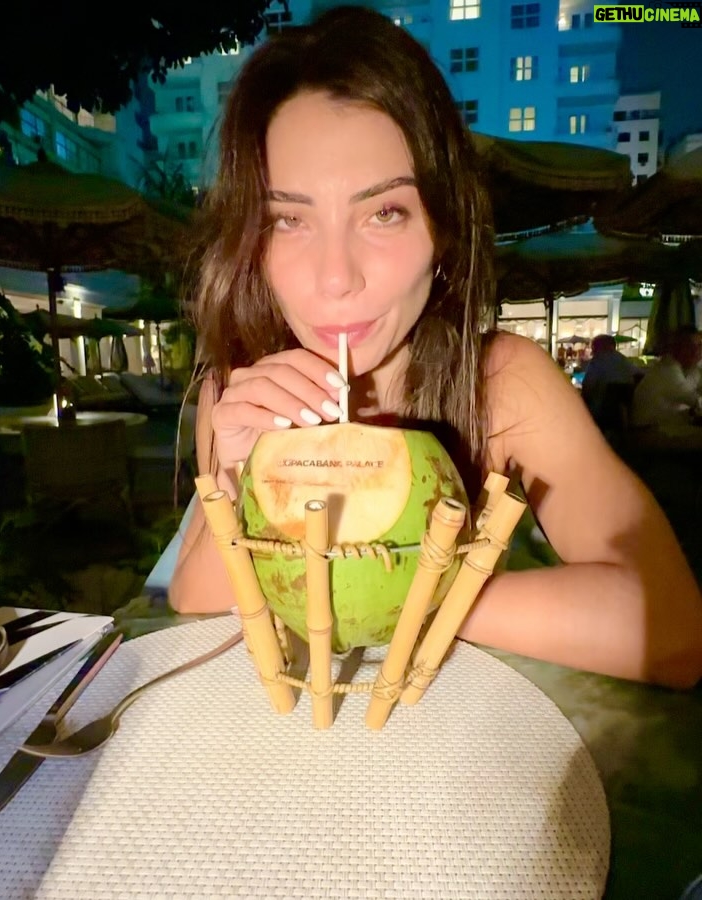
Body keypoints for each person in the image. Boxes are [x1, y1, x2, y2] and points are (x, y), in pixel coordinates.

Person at [170, 7, 702, 689]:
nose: (336, 278)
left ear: (443, 227)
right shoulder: (242, 386)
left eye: (384, 212)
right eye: (288, 220)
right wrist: (237, 474)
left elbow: (674, 630)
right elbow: (194, 598)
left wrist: (409, 587)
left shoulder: (500, 383)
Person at [631, 326, 702, 444]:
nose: (698, 351)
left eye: (700, 345)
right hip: (649, 435)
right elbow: (696, 402)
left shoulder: (680, 368)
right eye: (693, 346)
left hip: (662, 429)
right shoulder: (668, 370)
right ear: (678, 348)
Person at [581, 333, 636, 430]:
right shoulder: (625, 361)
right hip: (624, 416)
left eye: (593, 347)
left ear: (597, 347)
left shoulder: (598, 361)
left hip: (599, 415)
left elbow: (587, 387)